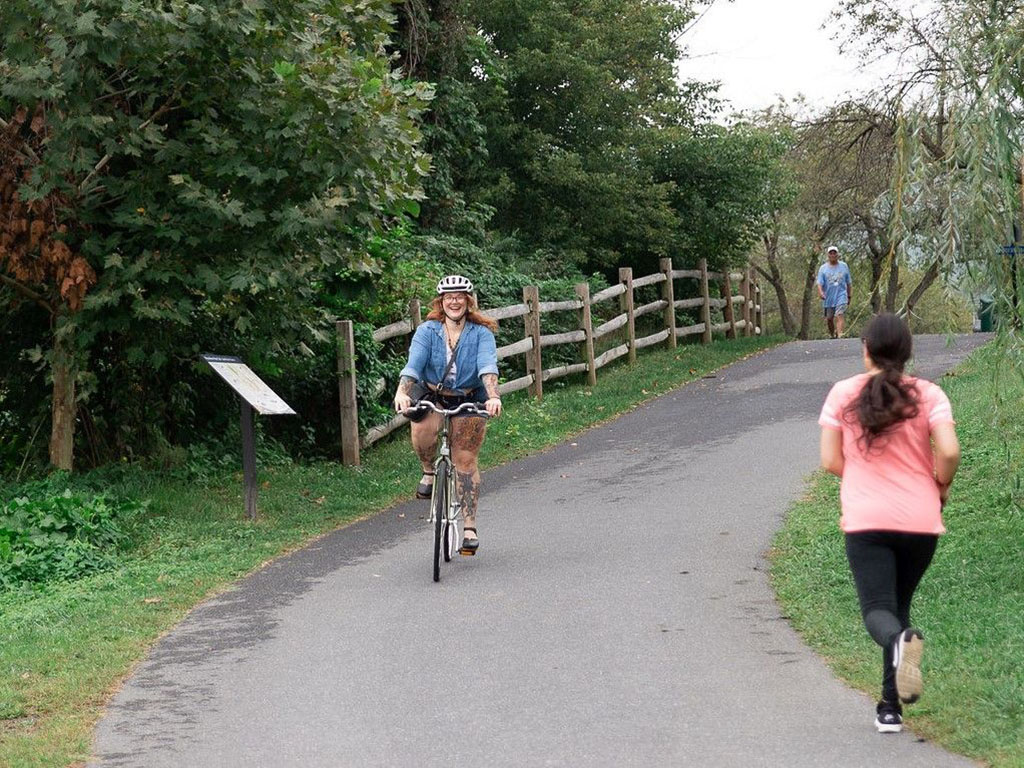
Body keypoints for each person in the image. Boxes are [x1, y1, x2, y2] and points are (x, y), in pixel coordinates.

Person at [818, 313, 960, 734]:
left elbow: (829, 460)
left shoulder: (843, 393)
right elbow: (949, 451)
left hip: (868, 520)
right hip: (921, 519)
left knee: (879, 611)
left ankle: (899, 651)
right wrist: (941, 486)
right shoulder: (929, 394)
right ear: (907, 351)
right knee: (898, 609)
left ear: (866, 350)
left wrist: (864, 479)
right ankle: (889, 708)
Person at [393, 275, 502, 554]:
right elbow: (413, 365)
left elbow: (487, 367)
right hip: (432, 393)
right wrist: (402, 392)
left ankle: (468, 528)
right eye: (448, 297)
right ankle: (429, 472)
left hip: (469, 396)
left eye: (460, 296)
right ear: (441, 302)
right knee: (422, 433)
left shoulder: (481, 334)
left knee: (464, 460)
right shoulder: (428, 331)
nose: (454, 301)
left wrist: (492, 396)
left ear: (468, 301)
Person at [817, 246, 852, 338]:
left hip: (841, 295)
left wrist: (849, 295)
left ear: (838, 255)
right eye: (831, 253)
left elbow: (848, 282)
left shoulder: (844, 266)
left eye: (834, 253)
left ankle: (840, 334)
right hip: (828, 297)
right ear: (828, 255)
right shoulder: (823, 268)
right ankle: (832, 334)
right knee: (829, 318)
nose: (833, 255)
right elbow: (819, 283)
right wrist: (821, 292)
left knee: (839, 314)